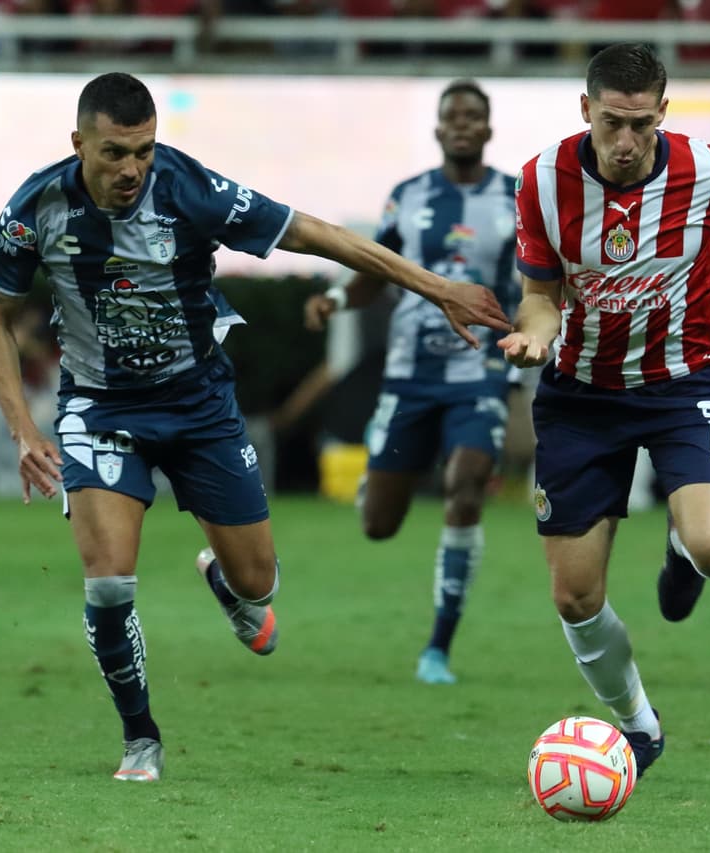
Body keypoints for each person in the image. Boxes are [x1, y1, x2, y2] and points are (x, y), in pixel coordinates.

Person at [0, 72, 509, 783]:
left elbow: (317, 234)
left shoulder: (191, 187)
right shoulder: (34, 207)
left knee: (259, 585)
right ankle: (141, 739)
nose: (132, 169)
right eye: (113, 153)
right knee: (108, 583)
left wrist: (438, 287)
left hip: (199, 406)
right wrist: (22, 429)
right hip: (100, 408)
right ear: (79, 145)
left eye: (143, 150)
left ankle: (229, 587)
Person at [499, 43, 710, 777]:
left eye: (642, 125)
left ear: (663, 112)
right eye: (613, 124)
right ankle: (639, 725)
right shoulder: (540, 180)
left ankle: (684, 550)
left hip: (684, 385)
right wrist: (532, 335)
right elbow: (538, 293)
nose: (626, 143)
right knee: (576, 595)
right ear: (585, 110)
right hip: (580, 397)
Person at [302, 79, 520, 685]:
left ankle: (438, 649)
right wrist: (339, 297)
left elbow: (539, 275)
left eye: (473, 115)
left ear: (488, 128)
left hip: (481, 370)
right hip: (411, 373)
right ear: (438, 128)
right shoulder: (410, 195)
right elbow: (376, 270)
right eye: (452, 115)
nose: (462, 124)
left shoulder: (517, 197)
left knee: (468, 484)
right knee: (379, 523)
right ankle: (379, 473)